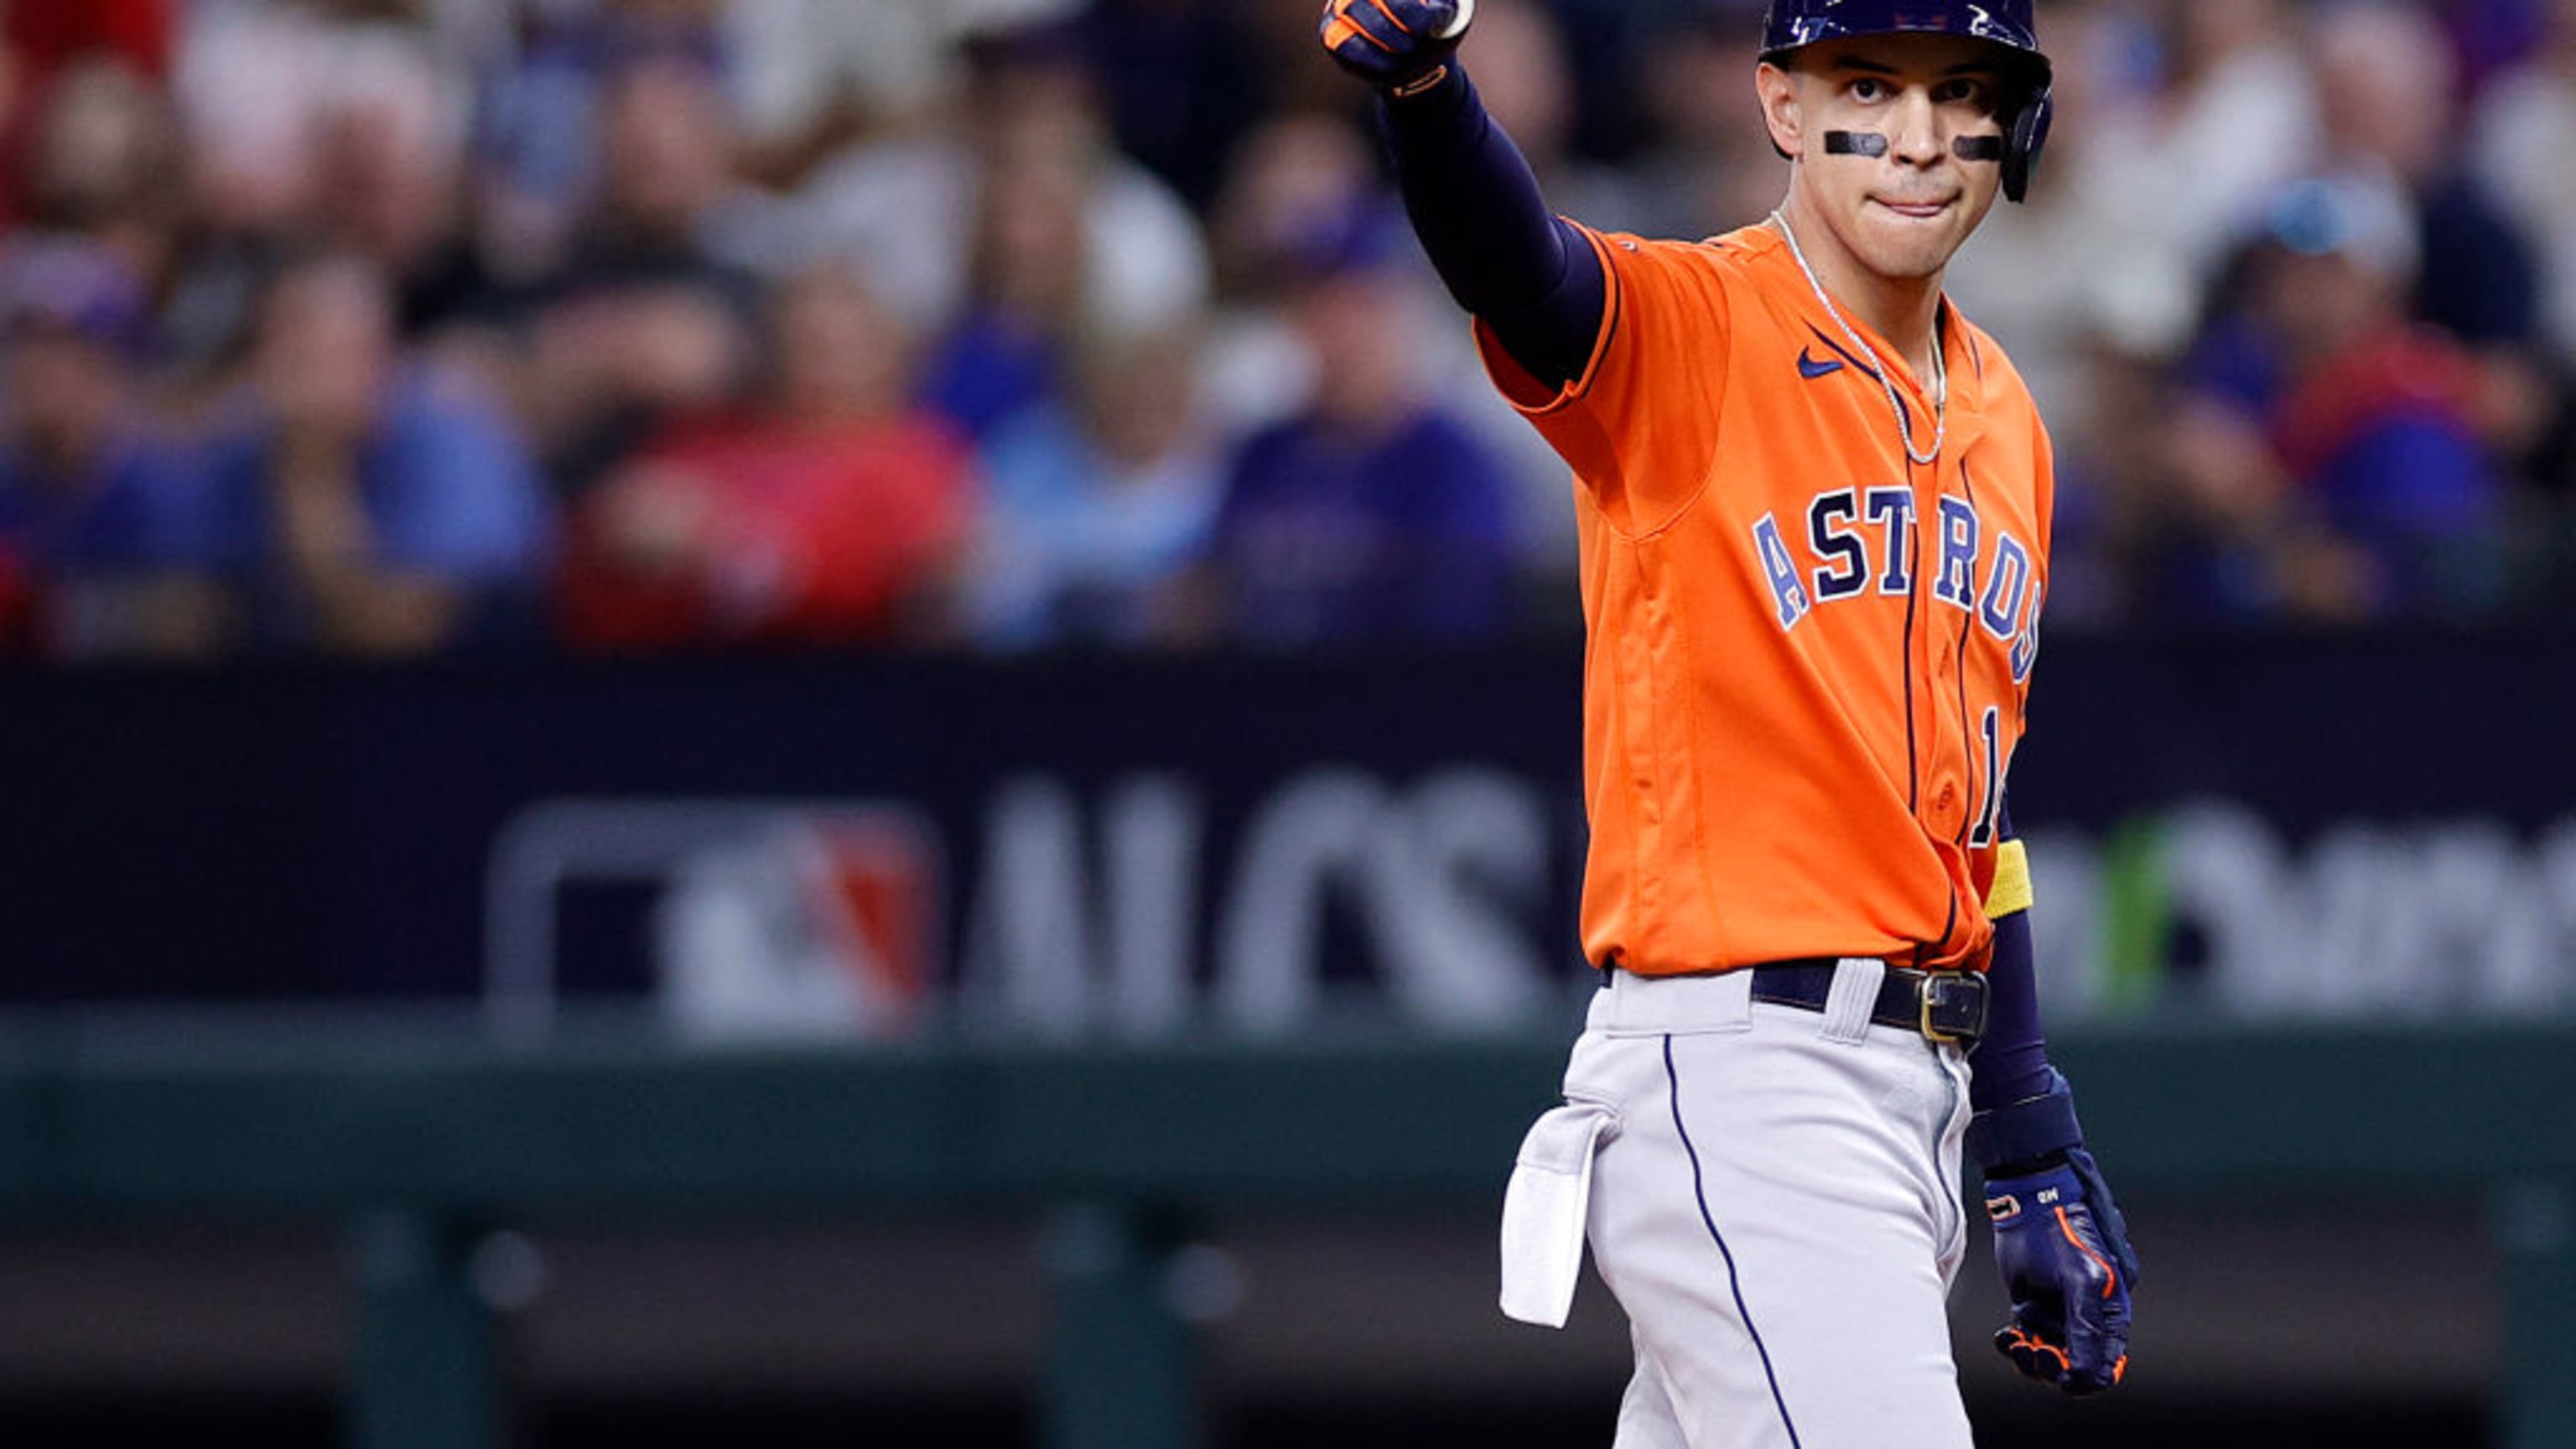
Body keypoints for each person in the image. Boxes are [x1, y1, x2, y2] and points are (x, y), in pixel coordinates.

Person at [1315, 0, 2139, 1441]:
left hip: (1909, 1096)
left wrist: (2025, 1125)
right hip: (1750, 1076)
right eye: (1866, 85)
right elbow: (1526, 277)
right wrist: (1432, 92)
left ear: (2017, 125)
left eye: (1964, 91)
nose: (1918, 134)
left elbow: (1976, 816)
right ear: (1779, 106)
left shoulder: (2009, 417)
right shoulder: (1697, 326)